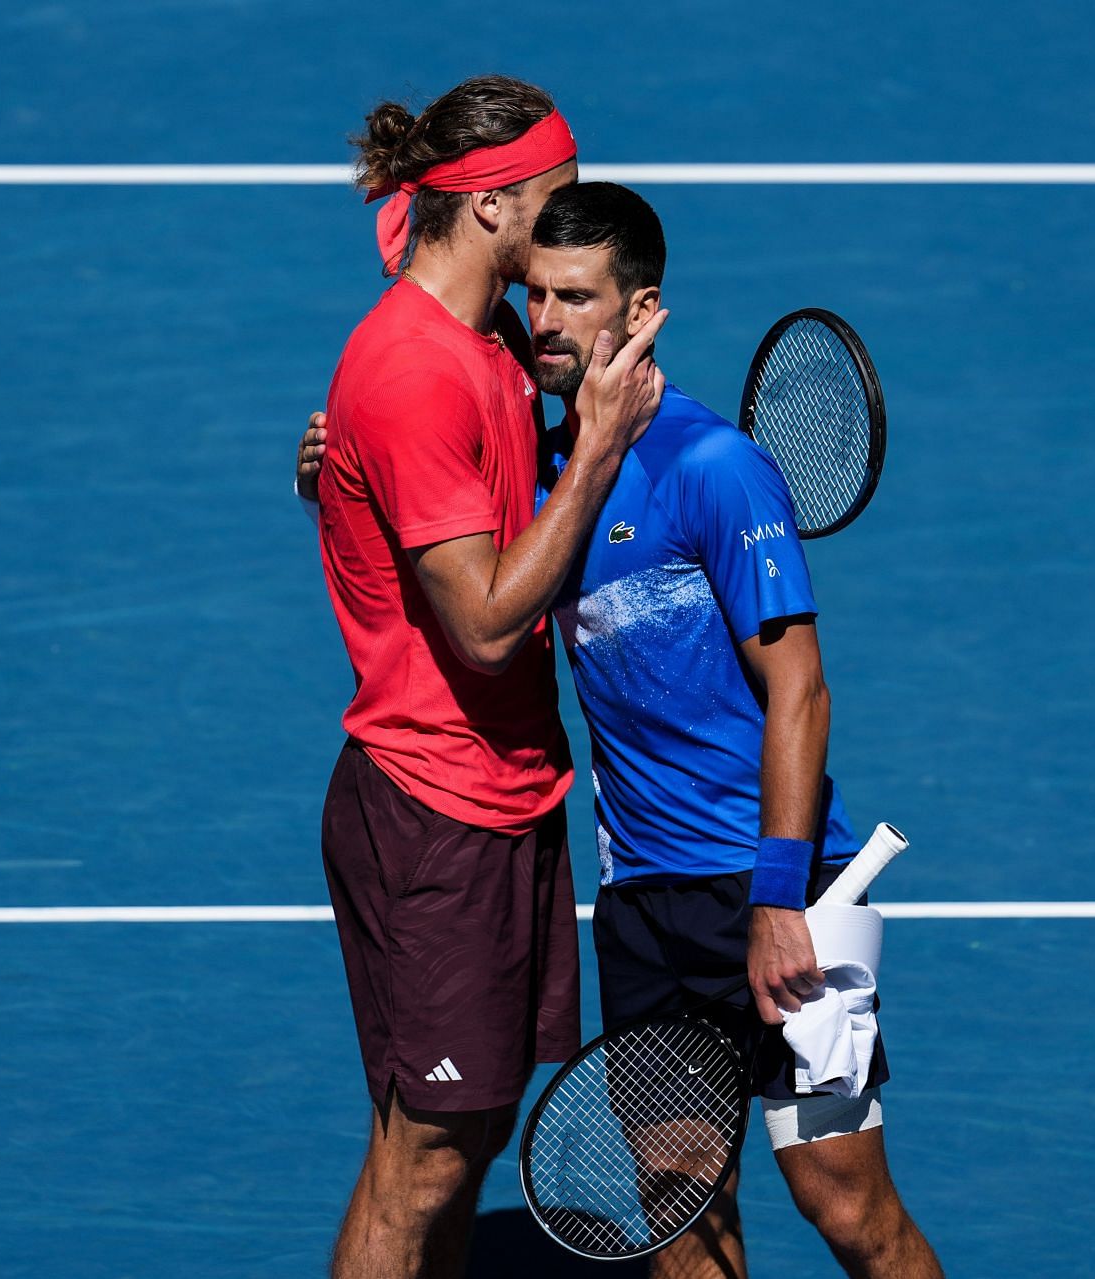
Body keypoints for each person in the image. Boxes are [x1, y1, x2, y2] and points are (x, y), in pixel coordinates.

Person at [301, 182, 940, 1279]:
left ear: (640, 311)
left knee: (846, 1205)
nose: (544, 320)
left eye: (577, 297)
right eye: (535, 294)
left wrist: (778, 899)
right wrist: (335, 463)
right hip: (645, 906)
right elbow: (444, 534)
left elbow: (803, 695)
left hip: (780, 889)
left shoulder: (715, 469)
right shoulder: (553, 473)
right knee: (679, 1219)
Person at [311, 80, 667, 1279]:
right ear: (492, 202)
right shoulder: (417, 372)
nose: (574, 213)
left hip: (504, 795)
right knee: (422, 1162)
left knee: (462, 1136)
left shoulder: (482, 327)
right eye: (557, 195)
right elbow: (485, 624)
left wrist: (333, 462)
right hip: (435, 812)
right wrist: (606, 445)